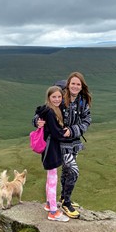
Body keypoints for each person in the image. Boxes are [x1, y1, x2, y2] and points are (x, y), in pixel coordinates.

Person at [35, 72, 92, 219]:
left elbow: (87, 120)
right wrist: (37, 121)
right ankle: (66, 203)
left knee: (67, 171)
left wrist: (73, 130)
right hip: (59, 142)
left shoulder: (82, 101)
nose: (75, 86)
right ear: (68, 84)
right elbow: (45, 109)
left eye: (78, 84)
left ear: (81, 86)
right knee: (73, 171)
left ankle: (62, 197)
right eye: (72, 83)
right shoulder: (60, 96)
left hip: (74, 142)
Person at [34, 86, 70, 222]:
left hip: (49, 147)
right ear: (48, 98)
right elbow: (55, 132)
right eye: (53, 97)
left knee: (50, 177)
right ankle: (53, 212)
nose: (57, 99)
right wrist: (65, 133)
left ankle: (49, 204)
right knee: (53, 178)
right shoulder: (50, 112)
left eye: (59, 97)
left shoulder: (52, 109)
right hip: (51, 148)